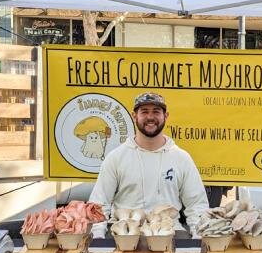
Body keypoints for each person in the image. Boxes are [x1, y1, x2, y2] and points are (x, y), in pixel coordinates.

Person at [89, 92, 209, 239]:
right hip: (123, 233)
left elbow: (196, 205)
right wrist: (97, 240)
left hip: (171, 231)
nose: (150, 117)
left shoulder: (181, 158)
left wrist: (198, 240)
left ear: (166, 116)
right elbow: (99, 205)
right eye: (144, 112)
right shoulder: (116, 158)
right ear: (134, 116)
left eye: (156, 112)